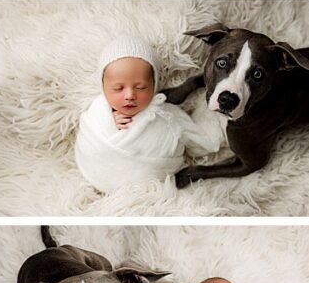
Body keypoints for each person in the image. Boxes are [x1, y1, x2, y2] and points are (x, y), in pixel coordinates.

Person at [75, 35, 222, 193]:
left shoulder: (167, 115)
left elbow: (199, 140)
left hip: (151, 182)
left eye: (141, 87)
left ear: (154, 84)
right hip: (96, 171)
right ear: (103, 87)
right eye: (118, 88)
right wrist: (108, 121)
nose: (130, 95)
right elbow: (91, 138)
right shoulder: (99, 110)